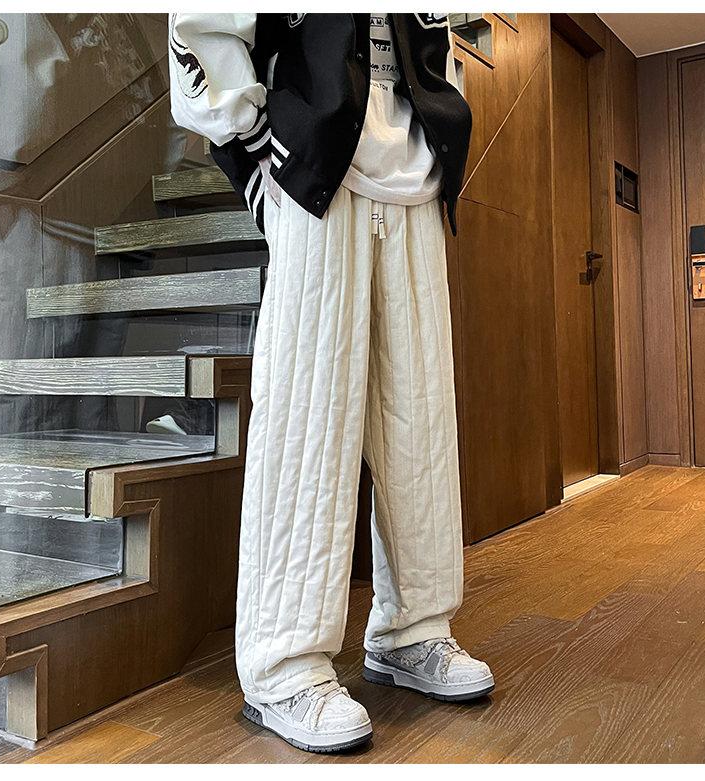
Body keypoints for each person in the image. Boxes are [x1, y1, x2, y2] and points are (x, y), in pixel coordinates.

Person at [169, 12, 494, 754]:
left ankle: (413, 629)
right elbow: (203, 23)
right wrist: (257, 147)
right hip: (314, 167)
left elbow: (436, 37)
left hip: (414, 170)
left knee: (420, 418)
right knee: (306, 416)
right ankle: (283, 662)